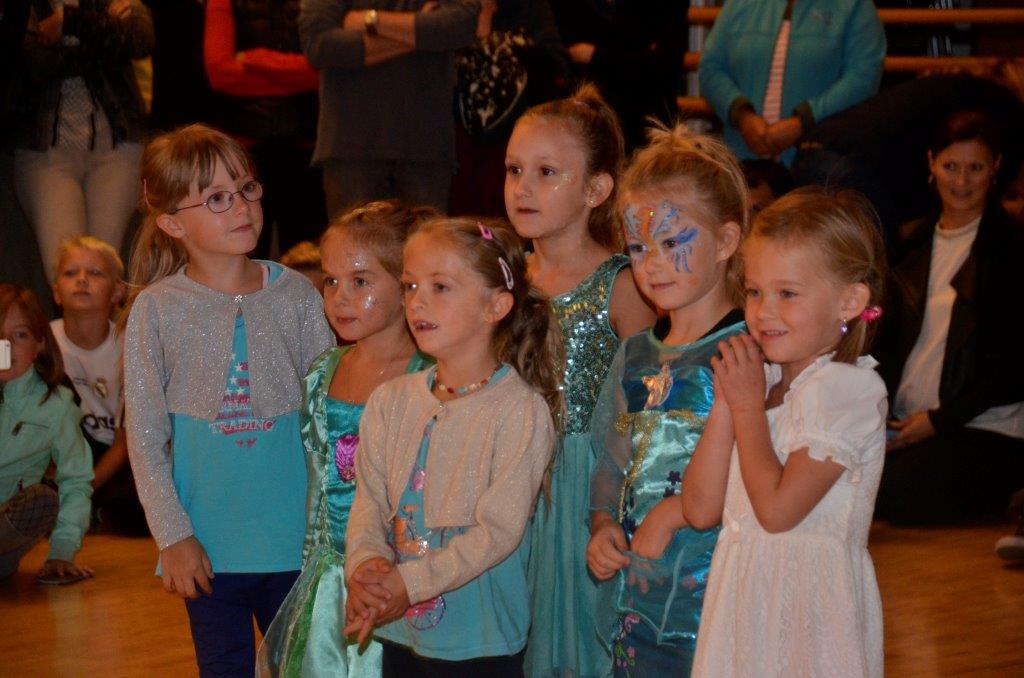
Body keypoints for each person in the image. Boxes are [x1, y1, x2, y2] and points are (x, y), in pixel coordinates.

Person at [122, 124, 335, 676]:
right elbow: (144, 438)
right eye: (216, 198)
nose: (241, 206)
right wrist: (174, 536)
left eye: (246, 188)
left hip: (298, 545)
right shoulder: (157, 309)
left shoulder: (297, 294)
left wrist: (337, 529)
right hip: (208, 551)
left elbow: (329, 417)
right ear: (173, 222)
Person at [342, 218, 560, 675]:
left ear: (496, 306)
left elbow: (497, 532)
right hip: (400, 628)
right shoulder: (390, 401)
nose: (417, 301)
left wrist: (409, 582)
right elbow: (369, 502)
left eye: (440, 286)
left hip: (479, 640)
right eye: (410, 285)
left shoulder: (519, 409)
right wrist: (366, 567)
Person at [685, 187, 887, 677]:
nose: (763, 311)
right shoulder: (763, 384)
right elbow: (701, 508)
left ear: (850, 301)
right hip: (743, 602)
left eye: (788, 294)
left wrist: (747, 408)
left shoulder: (847, 389)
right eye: (754, 291)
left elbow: (777, 512)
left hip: (807, 615)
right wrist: (729, 404)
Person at [504, 84, 654, 678]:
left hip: (579, 488)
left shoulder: (623, 284)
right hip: (509, 477)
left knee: (573, 643)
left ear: (596, 190)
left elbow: (644, 402)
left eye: (546, 172)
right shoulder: (503, 278)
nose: (523, 187)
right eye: (515, 169)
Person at [585, 127, 747, 676]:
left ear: (725, 242)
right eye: (637, 248)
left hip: (715, 596)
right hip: (639, 595)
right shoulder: (635, 355)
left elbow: (754, 472)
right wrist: (602, 524)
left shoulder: (744, 351)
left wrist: (674, 515)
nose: (651, 263)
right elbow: (612, 461)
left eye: (672, 243)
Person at [257, 200, 434, 677]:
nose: (339, 298)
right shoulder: (322, 373)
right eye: (331, 281)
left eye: (360, 281)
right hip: (332, 580)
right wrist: (311, 578)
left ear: (406, 285)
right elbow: (318, 490)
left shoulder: (430, 377)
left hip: (398, 581)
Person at [874, 110, 1024, 525]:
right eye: (951, 166)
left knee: (891, 493)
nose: (961, 181)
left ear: (995, 169)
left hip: (984, 428)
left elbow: (1015, 369)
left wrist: (938, 421)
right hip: (906, 423)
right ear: (931, 163)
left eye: (975, 168)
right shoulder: (909, 243)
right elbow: (883, 339)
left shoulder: (1012, 251)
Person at [11, 0, 154, 282]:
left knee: (105, 270)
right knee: (66, 271)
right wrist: (106, 31)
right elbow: (31, 62)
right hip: (47, 155)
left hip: (116, 149)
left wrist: (67, 21)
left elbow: (141, 38)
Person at [299, 0, 479, 216]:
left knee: (427, 238)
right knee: (354, 237)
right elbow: (319, 45)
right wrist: (420, 35)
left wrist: (372, 21)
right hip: (351, 146)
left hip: (425, 145)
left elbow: (463, 24)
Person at [203, 0, 328, 257]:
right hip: (244, 152)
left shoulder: (318, 4)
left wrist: (255, 60)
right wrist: (296, 76)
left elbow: (325, 72)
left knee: (308, 259)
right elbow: (220, 74)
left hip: (307, 148)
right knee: (242, 255)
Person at [699, 0, 884, 164]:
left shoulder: (854, 5)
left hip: (821, 162)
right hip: (743, 162)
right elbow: (710, 69)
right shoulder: (738, 3)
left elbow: (863, 77)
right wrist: (742, 115)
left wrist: (804, 121)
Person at [50, 236, 146, 536]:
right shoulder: (42, 341)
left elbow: (126, 440)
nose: (82, 279)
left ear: (117, 291)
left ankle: (92, 507)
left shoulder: (133, 345)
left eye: (95, 273)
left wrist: (85, 486)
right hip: (61, 452)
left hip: (114, 455)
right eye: (70, 273)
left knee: (144, 506)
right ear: (56, 291)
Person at [1, 284, 94, 584]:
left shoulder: (57, 407)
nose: (5, 345)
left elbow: (76, 480)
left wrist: (62, 551)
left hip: (6, 531)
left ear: (39, 344)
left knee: (42, 500)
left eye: (19, 335)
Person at [548, 0, 687, 153]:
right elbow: (558, 62)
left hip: (649, 124)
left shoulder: (665, 6)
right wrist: (633, 55)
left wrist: (597, 55)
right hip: (586, 123)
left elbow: (663, 68)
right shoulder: (566, 7)